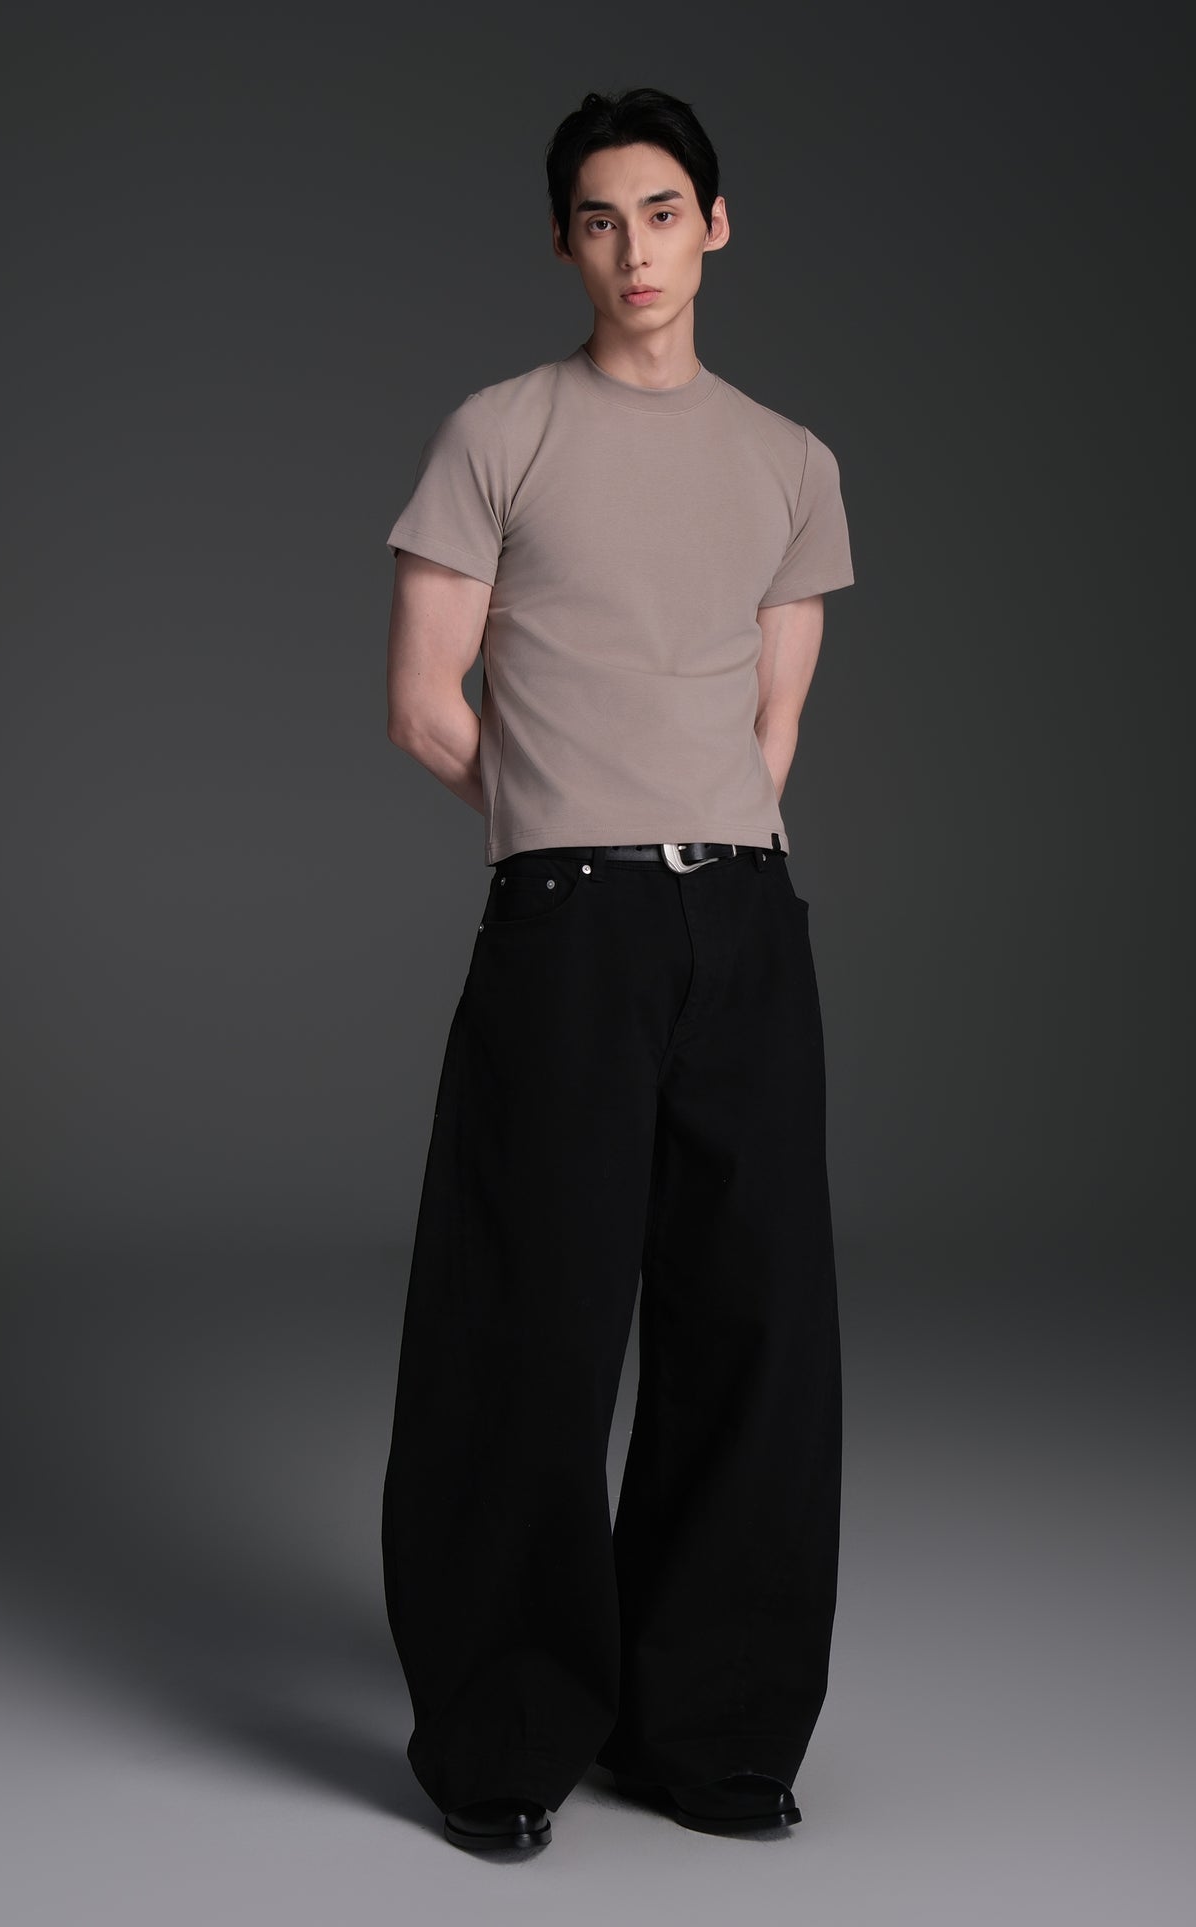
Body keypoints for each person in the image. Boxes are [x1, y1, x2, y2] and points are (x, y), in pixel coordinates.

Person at [379, 85, 856, 1854]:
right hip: (565, 916)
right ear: (563, 243)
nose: (633, 249)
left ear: (712, 226)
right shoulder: (498, 433)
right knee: (531, 1322)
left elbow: (771, 724)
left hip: (742, 918)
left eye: (661, 212)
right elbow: (424, 701)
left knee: (754, 1326)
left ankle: (708, 1729)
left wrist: (702, 844)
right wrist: (562, 818)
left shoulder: (790, 462)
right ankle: (502, 1736)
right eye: (598, 219)